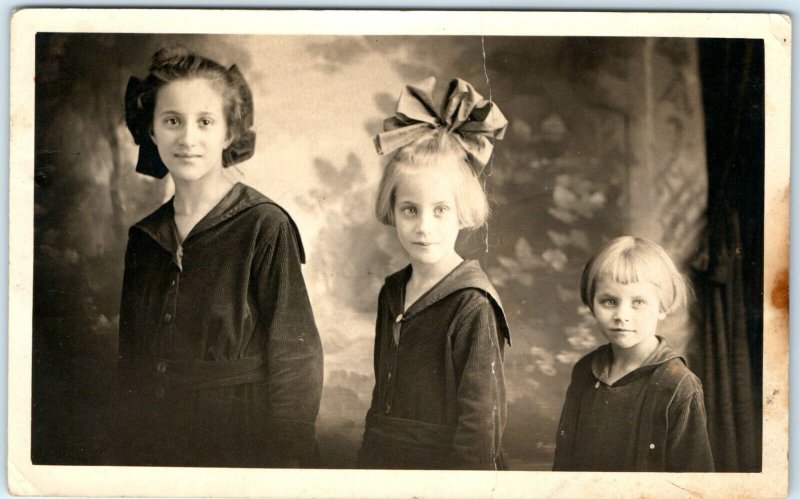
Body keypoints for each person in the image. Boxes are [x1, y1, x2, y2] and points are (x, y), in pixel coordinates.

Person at [118, 46, 323, 468]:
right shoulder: (144, 238)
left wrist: (286, 463)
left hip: (241, 443)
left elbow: (295, 358)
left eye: (205, 122)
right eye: (172, 120)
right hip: (154, 447)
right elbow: (131, 362)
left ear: (229, 133)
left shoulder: (264, 226)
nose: (188, 139)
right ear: (151, 131)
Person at [357, 77, 511, 470]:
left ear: (463, 212)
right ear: (392, 210)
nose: (424, 226)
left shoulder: (472, 305)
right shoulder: (392, 291)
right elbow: (382, 395)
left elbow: (480, 425)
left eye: (440, 210)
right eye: (411, 209)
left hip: (444, 472)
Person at [553, 236, 714, 471]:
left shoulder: (679, 386)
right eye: (609, 301)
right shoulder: (585, 370)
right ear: (591, 303)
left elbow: (695, 484)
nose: (622, 315)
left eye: (638, 302)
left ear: (662, 307)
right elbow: (564, 463)